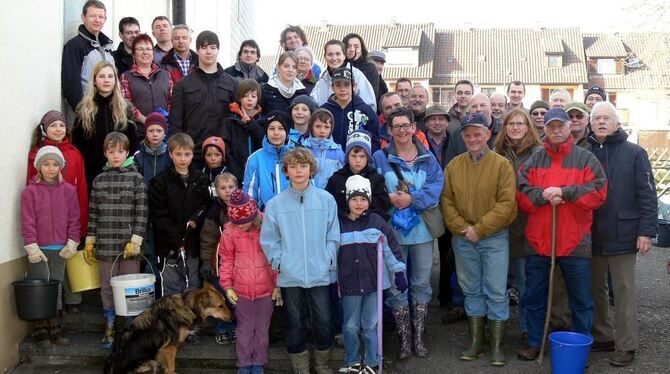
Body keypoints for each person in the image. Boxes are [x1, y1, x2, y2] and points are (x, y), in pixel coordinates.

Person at [516, 108, 607, 360]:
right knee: (534, 296)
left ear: (569, 127)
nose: (556, 131)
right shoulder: (534, 161)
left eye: (560, 126)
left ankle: (579, 350)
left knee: (581, 301)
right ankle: (536, 342)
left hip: (574, 242)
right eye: (550, 127)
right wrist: (543, 196)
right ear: (543, 130)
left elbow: (598, 192)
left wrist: (566, 192)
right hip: (538, 241)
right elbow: (522, 195)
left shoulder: (585, 159)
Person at [441, 113, 517, 366]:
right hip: (463, 239)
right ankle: (476, 342)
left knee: (496, 291)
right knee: (471, 290)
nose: (473, 138)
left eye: (478, 134)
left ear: (487, 135)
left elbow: (507, 205)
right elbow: (446, 201)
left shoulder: (502, 165)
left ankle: (496, 346)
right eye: (468, 134)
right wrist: (463, 228)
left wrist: (480, 229)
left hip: (493, 238)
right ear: (462, 136)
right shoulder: (453, 166)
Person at [587, 101, 657, 367]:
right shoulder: (585, 151)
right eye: (596, 118)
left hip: (624, 232)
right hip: (592, 233)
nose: (601, 122)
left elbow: (647, 195)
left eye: (607, 118)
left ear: (617, 123)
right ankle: (602, 336)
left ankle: (627, 345)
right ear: (590, 124)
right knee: (596, 289)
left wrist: (646, 231)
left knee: (624, 291)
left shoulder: (635, 152)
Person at [372, 107, 444, 359]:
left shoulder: (428, 158)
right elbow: (372, 189)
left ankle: (419, 337)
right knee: (396, 283)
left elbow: (436, 188)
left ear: (414, 128)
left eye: (406, 125)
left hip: (422, 231)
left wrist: (412, 198)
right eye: (397, 127)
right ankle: (403, 339)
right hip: (393, 233)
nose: (402, 131)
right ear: (389, 130)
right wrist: (390, 198)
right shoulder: (379, 158)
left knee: (421, 283)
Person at [260, 148, 340, 374]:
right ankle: (300, 367)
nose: (298, 171)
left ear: (311, 170)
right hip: (289, 275)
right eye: (293, 166)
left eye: (303, 166)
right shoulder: (275, 204)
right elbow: (269, 240)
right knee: (294, 322)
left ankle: (323, 364)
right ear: (286, 171)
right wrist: (280, 262)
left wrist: (327, 259)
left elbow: (333, 235)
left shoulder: (326, 200)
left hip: (320, 272)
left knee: (323, 321)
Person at [84, 132, 148, 349]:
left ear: (127, 152)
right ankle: (110, 326)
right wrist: (90, 239)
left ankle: (129, 330)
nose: (116, 155)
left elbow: (142, 211)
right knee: (107, 287)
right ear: (105, 153)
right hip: (105, 244)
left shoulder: (136, 178)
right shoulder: (99, 180)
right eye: (111, 151)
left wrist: (136, 240)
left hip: (129, 245)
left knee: (129, 289)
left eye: (120, 151)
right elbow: (93, 212)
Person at [337, 175, 407, 373]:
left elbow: (391, 249)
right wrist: (333, 281)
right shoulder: (340, 224)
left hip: (373, 283)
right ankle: (352, 360)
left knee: (371, 324)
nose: (359, 204)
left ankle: (372, 361)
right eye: (354, 199)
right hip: (349, 282)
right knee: (350, 325)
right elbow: (332, 254)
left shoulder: (376, 222)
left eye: (363, 199)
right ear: (347, 200)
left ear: (369, 200)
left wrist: (398, 272)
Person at [22, 146, 80, 348]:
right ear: (39, 167)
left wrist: (73, 241)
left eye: (55, 164)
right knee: (40, 286)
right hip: (40, 249)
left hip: (61, 248)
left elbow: (74, 218)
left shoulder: (69, 191)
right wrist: (31, 246)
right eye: (46, 164)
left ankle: (56, 326)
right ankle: (40, 328)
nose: (51, 168)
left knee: (56, 287)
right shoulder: (30, 192)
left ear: (60, 167)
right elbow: (27, 221)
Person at [493, 108, 543, 338]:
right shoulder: (497, 151)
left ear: (527, 126)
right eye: (511, 123)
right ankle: (496, 327)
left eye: (520, 123)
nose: (515, 127)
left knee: (524, 279)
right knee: (497, 279)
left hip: (525, 224)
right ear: (505, 126)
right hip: (500, 222)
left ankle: (526, 327)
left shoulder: (538, 152)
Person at [219, 189, 279, 374]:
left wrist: (278, 284)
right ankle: (244, 364)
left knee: (261, 329)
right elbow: (226, 259)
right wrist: (227, 285)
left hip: (266, 290)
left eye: (245, 222)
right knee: (244, 329)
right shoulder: (230, 231)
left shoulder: (268, 226)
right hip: (241, 290)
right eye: (239, 223)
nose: (242, 226)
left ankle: (258, 362)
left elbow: (276, 257)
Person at [149, 133, 210, 298]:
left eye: (187, 154)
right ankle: (173, 323)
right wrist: (176, 239)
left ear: (192, 154)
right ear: (170, 154)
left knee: (193, 287)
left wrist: (196, 219)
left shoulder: (201, 178)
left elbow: (206, 205)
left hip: (193, 244)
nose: (183, 159)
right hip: (169, 246)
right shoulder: (160, 181)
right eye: (178, 154)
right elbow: (158, 214)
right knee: (172, 290)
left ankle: (192, 323)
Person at [169, 30, 237, 167]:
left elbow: (235, 122)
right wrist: (181, 151)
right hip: (193, 155)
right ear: (197, 50)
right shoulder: (182, 85)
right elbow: (176, 123)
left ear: (218, 50)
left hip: (223, 154)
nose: (209, 52)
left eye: (213, 47)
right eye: (204, 47)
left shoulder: (232, 84)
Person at [72, 61, 138, 189]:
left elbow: (133, 141)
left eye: (110, 76)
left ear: (115, 80)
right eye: (102, 76)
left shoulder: (125, 108)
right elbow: (78, 142)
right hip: (93, 172)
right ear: (95, 81)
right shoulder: (84, 109)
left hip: (122, 170)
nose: (106, 80)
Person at [421, 105, 454, 310]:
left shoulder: (454, 140)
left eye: (441, 119)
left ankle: (446, 296)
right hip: (426, 200)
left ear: (447, 122)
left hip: (449, 200)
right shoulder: (420, 142)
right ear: (426, 123)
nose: (437, 122)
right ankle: (419, 298)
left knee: (447, 251)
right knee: (422, 251)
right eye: (432, 119)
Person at [200, 173, 239, 345]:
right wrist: (207, 263)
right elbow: (207, 239)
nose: (227, 191)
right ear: (217, 191)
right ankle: (222, 328)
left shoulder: (243, 206)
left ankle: (237, 327)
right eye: (223, 188)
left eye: (231, 187)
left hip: (241, 262)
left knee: (238, 299)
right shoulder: (215, 211)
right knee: (221, 297)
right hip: (220, 262)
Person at [132, 112, 171, 279]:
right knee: (147, 250)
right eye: (151, 130)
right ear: (146, 132)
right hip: (144, 209)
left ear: (165, 133)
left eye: (159, 131)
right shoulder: (138, 156)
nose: (155, 134)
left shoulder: (171, 155)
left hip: (164, 209)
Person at [326, 129, 391, 221]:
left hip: (369, 228)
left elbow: (382, 207)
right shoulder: (335, 179)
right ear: (347, 156)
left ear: (368, 157)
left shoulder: (377, 179)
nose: (358, 160)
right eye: (353, 156)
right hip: (343, 228)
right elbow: (330, 208)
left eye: (362, 156)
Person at [61, 0, 115, 112]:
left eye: (101, 16)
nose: (97, 20)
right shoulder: (75, 46)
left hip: (106, 112)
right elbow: (71, 86)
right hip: (86, 114)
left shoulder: (108, 48)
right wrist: (83, 113)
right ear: (83, 17)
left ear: (105, 19)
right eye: (93, 16)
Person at [320, 67, 380, 152]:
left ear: (354, 86)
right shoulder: (323, 111)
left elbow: (375, 141)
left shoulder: (366, 112)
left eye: (347, 85)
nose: (342, 89)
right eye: (338, 85)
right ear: (332, 87)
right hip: (329, 160)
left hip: (357, 162)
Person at [120, 33, 173, 128]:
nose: (145, 52)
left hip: (163, 130)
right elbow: (126, 103)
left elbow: (171, 101)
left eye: (148, 49)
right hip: (138, 130)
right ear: (133, 54)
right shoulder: (126, 76)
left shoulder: (165, 75)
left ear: (153, 53)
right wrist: (145, 120)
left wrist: (162, 121)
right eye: (140, 49)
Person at [242, 111, 291, 210]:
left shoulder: (296, 156)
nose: (276, 133)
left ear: (287, 132)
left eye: (281, 128)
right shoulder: (255, 158)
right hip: (265, 217)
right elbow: (250, 192)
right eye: (271, 128)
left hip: (292, 216)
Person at [311, 40, 377, 112]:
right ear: (325, 57)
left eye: (338, 54)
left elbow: (370, 106)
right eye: (330, 54)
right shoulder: (322, 80)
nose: (334, 58)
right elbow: (314, 105)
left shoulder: (356, 75)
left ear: (344, 56)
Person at [222, 79, 266, 182]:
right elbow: (226, 149)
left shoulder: (262, 120)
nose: (250, 99)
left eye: (253, 96)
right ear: (240, 98)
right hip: (235, 174)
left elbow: (264, 142)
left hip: (258, 172)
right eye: (246, 96)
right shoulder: (230, 120)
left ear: (258, 98)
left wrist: (251, 124)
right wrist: (235, 171)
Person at [444, 93, 500, 166]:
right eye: (474, 106)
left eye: (482, 105)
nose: (478, 109)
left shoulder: (503, 132)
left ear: (490, 108)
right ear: (469, 110)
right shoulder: (458, 134)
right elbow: (449, 166)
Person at [300, 109, 345, 189]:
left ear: (331, 129)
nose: (322, 131)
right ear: (311, 127)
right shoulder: (302, 149)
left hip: (330, 197)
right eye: (318, 126)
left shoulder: (338, 152)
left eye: (326, 127)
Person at [343, 33, 380, 100]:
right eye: (348, 46)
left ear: (361, 49)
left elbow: (373, 94)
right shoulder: (339, 67)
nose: (352, 49)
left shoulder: (370, 68)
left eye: (356, 47)